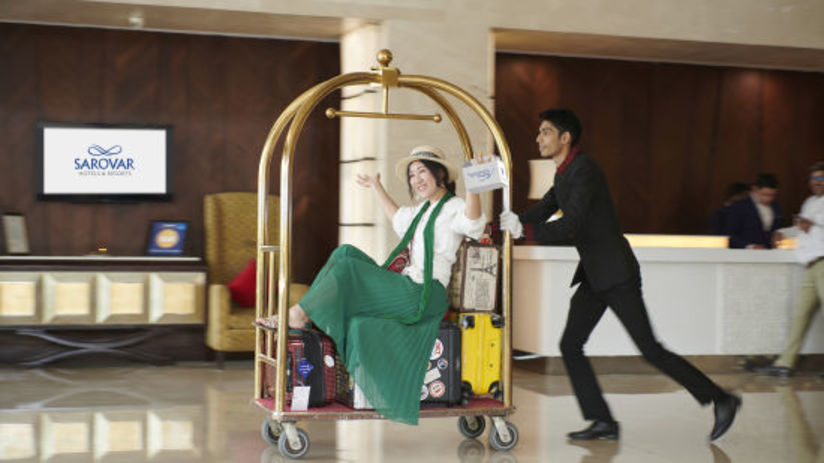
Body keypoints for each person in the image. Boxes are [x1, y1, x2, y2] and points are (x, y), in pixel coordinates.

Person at [499, 108, 740, 441]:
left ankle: (722, 398)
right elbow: (543, 209)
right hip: (595, 277)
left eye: (545, 132)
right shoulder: (562, 174)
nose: (538, 138)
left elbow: (573, 224)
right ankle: (603, 422)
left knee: (650, 349)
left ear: (565, 137)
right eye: (539, 132)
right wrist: (506, 223)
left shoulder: (585, 169)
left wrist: (524, 230)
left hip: (616, 273)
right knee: (570, 345)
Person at [272, 145, 486, 425]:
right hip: (406, 283)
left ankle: (299, 315)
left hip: (424, 293)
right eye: (412, 174)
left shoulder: (454, 207)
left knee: (348, 269)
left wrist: (474, 184)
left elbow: (473, 224)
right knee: (345, 253)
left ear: (439, 173)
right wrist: (376, 185)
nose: (417, 179)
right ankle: (306, 314)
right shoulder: (423, 209)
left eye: (422, 171)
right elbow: (398, 218)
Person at [753, 162, 824, 377]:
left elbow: (811, 226)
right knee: (799, 315)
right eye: (814, 179)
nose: (818, 183)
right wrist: (783, 233)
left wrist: (813, 225)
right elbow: (801, 228)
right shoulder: (809, 202)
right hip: (810, 265)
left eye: (822, 179)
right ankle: (785, 364)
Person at [725, 173, 782, 248]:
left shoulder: (776, 207)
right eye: (765, 194)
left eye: (772, 195)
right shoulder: (739, 206)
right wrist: (750, 246)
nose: (769, 199)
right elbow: (730, 235)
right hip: (744, 254)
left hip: (769, 253)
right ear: (755, 189)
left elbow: (777, 229)